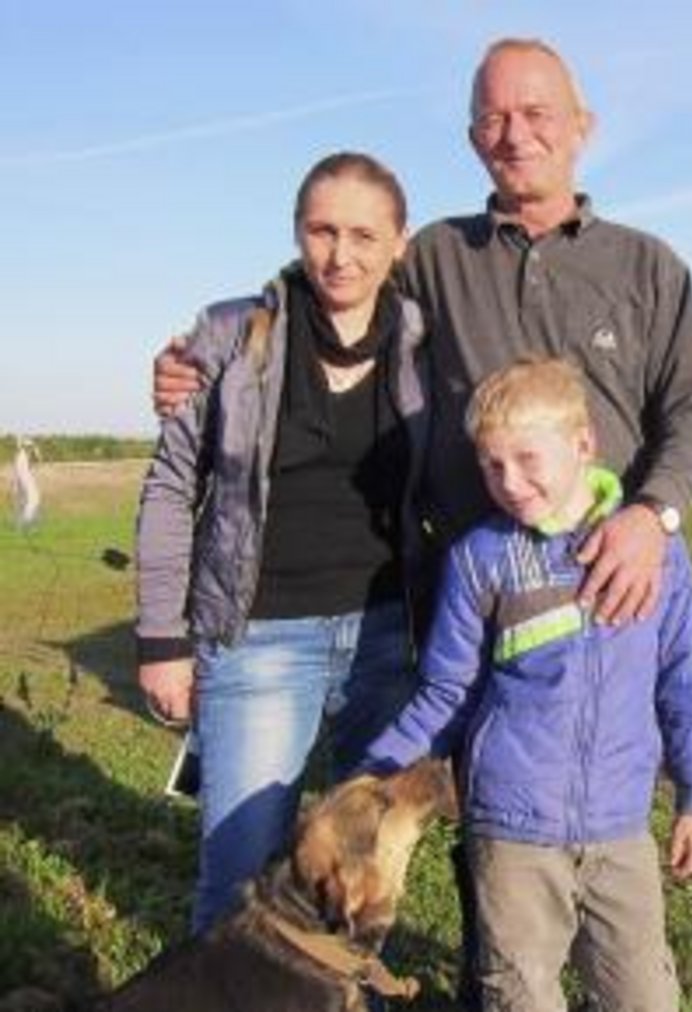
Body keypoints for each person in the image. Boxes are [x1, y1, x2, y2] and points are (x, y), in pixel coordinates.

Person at [150, 36, 692, 997]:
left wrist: (653, 517)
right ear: (472, 138)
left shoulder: (648, 267)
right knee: (487, 817)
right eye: (496, 118)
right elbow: (331, 281)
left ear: (582, 128)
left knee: (576, 850)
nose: (518, 134)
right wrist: (204, 357)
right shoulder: (437, 260)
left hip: (616, 584)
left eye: (539, 113)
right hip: (482, 594)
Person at [361, 358, 692, 1011]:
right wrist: (375, 774)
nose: (509, 482)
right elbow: (448, 690)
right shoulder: (480, 559)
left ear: (583, 443)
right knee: (519, 993)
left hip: (620, 828)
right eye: (491, 466)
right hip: (511, 834)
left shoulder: (657, 552)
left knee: (643, 997)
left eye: (527, 459)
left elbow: (687, 679)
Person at [135, 151, 431, 933]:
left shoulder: (425, 345)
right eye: (323, 231)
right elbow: (170, 487)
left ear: (400, 242)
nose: (342, 254)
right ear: (298, 233)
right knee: (240, 877)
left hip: (386, 641)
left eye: (365, 235)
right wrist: (162, 639)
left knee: (366, 881)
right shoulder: (234, 335)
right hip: (260, 639)